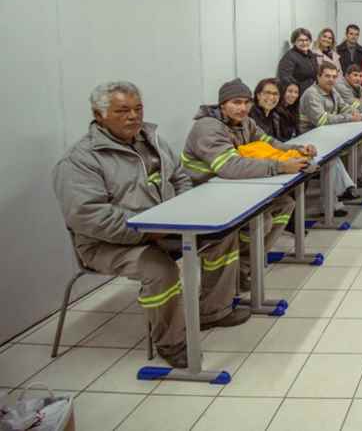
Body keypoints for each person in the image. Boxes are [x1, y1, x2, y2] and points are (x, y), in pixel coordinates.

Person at [53, 82, 249, 369]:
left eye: (138, 108)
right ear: (99, 114)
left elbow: (180, 177)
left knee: (223, 237)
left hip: (166, 228)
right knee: (160, 269)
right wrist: (146, 229)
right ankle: (171, 341)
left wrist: (182, 211)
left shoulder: (154, 141)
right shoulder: (80, 161)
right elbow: (88, 216)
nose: (133, 116)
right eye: (122, 111)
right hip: (108, 244)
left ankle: (212, 311)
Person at [181, 78, 313, 289]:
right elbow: (230, 166)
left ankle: (244, 269)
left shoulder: (245, 123)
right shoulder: (207, 127)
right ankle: (229, 283)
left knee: (285, 205)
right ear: (222, 104)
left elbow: (269, 143)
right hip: (204, 194)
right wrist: (279, 167)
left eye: (246, 102)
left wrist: (297, 150)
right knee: (263, 220)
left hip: (233, 189)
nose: (243, 108)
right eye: (236, 102)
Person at [298, 62, 362, 202]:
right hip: (309, 138)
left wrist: (355, 113)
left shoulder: (333, 91)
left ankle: (344, 189)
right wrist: (350, 118)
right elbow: (322, 120)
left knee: (343, 150)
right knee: (331, 157)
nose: (331, 79)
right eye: (327, 76)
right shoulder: (312, 94)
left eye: (334, 76)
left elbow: (344, 107)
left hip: (326, 134)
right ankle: (331, 202)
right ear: (318, 77)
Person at [337, 64, 362, 183]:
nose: (358, 79)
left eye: (361, 76)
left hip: (351, 121)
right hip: (341, 123)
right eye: (355, 75)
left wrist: (361, 103)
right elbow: (357, 108)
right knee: (357, 142)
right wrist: (360, 103)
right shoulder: (341, 86)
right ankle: (349, 177)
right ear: (347, 76)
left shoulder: (358, 87)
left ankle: (356, 175)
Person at [251, 78, 297, 143]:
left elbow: (278, 140)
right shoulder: (250, 117)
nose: (271, 97)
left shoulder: (276, 115)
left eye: (275, 94)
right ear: (258, 95)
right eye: (267, 93)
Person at [277, 28, 319, 96]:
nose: (304, 43)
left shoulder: (311, 55)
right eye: (300, 40)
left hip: (314, 92)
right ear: (294, 42)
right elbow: (285, 78)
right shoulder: (289, 57)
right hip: (299, 94)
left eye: (306, 40)